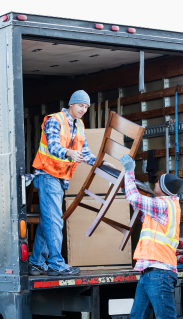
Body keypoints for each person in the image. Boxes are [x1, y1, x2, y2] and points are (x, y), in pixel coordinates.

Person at [29, 90, 113, 276]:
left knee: (47, 221)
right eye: (80, 105)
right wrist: (68, 153)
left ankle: (35, 262)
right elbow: (53, 145)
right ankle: (56, 263)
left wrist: (100, 163)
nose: (83, 109)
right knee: (54, 221)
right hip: (47, 174)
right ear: (71, 104)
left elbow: (85, 152)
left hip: (60, 177)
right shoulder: (55, 120)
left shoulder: (80, 125)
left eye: (86, 107)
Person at [120, 154, 183, 319]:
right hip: (149, 273)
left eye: (157, 183)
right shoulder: (165, 206)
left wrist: (129, 172)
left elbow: (134, 198)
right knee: (137, 316)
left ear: (163, 189)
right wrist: (128, 187)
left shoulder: (163, 204)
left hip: (159, 274)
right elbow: (140, 210)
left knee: (165, 317)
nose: (154, 183)